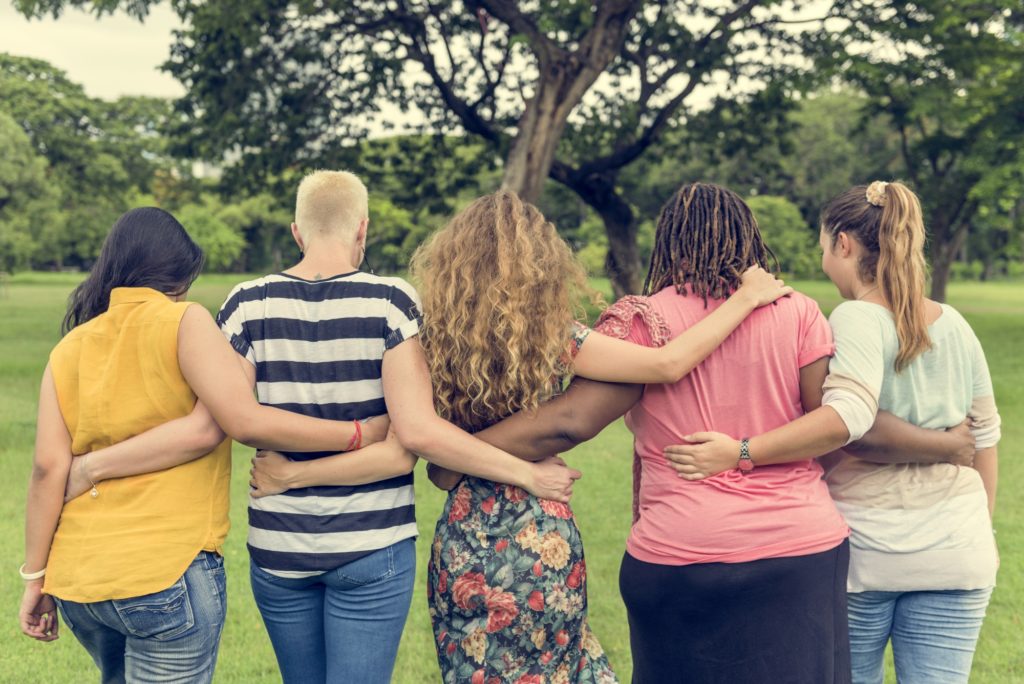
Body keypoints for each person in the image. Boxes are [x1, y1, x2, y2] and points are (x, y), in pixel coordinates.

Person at [41, 174, 583, 684]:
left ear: (296, 232)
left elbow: (230, 419)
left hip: (280, 547)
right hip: (373, 544)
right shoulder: (392, 301)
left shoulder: (245, 304)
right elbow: (404, 448)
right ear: (362, 229)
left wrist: (287, 479)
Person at [250, 189, 794, 683]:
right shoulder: (557, 337)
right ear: (542, 262)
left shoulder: (426, 338)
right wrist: (744, 299)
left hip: (464, 541)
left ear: (452, 262)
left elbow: (415, 440)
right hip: (542, 534)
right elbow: (669, 364)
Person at [17, 207, 395, 683]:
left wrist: (35, 577)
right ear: (179, 273)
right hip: (162, 572)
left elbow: (49, 470)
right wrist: (357, 433)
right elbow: (238, 422)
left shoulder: (69, 346)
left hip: (80, 583)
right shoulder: (184, 322)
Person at [666, 181, 1000, 684]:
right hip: (960, 550)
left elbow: (846, 422)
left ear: (843, 244)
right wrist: (978, 527)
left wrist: (741, 451)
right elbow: (985, 439)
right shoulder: (955, 323)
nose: (822, 257)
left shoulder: (856, 317)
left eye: (822, 246)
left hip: (870, 551)